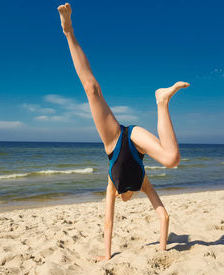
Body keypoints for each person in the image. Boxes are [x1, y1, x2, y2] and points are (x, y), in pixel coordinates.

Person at [57, 3, 189, 261]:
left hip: (115, 139)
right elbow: (163, 215)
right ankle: (162, 102)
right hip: (135, 138)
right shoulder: (142, 183)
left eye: (119, 197)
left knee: (92, 89)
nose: (120, 197)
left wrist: (107, 256)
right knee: (172, 160)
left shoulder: (112, 182)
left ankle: (68, 31)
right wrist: (162, 249)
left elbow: (108, 222)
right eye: (122, 197)